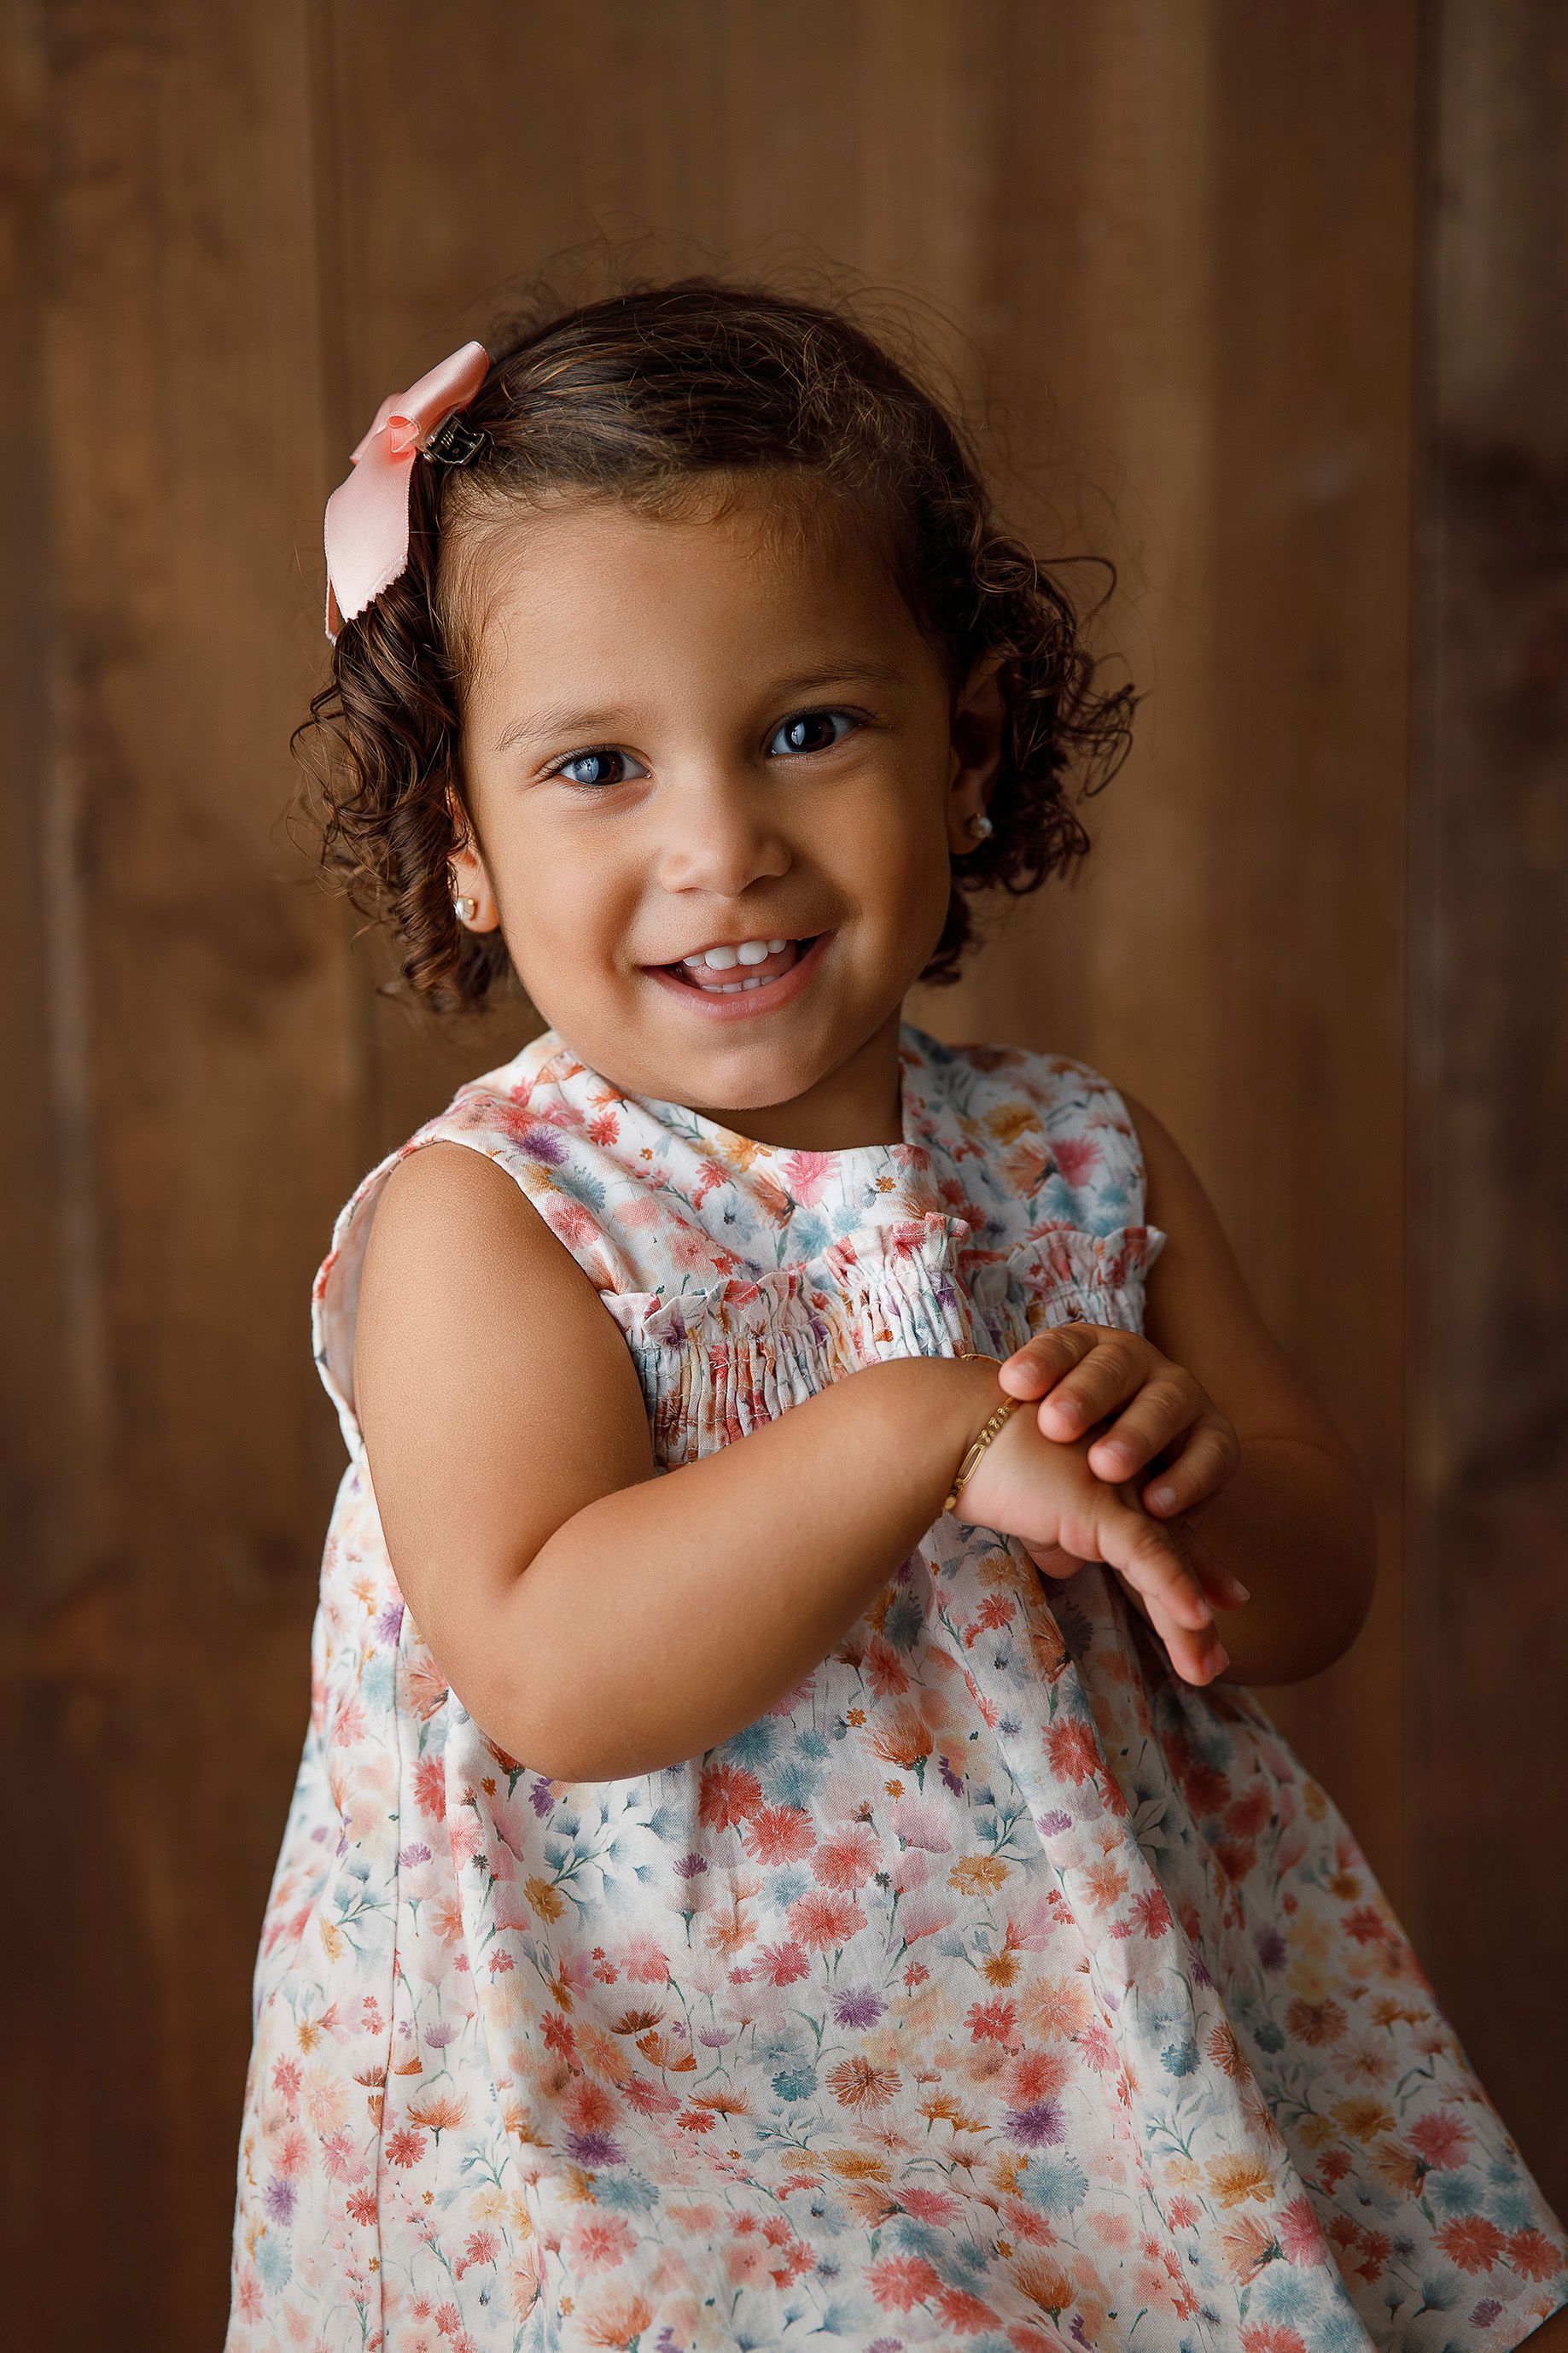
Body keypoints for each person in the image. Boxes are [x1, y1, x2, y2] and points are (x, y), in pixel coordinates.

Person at [227, 277, 1568, 2353]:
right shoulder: (488, 1222)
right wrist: (918, 1430)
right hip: (649, 2092)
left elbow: (1308, 1584)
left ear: (970, 746)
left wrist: (1180, 1488)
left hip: (1094, 2057)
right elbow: (556, 1670)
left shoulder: (1074, 1161)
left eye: (806, 729)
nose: (719, 844)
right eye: (594, 764)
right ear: (459, 845)